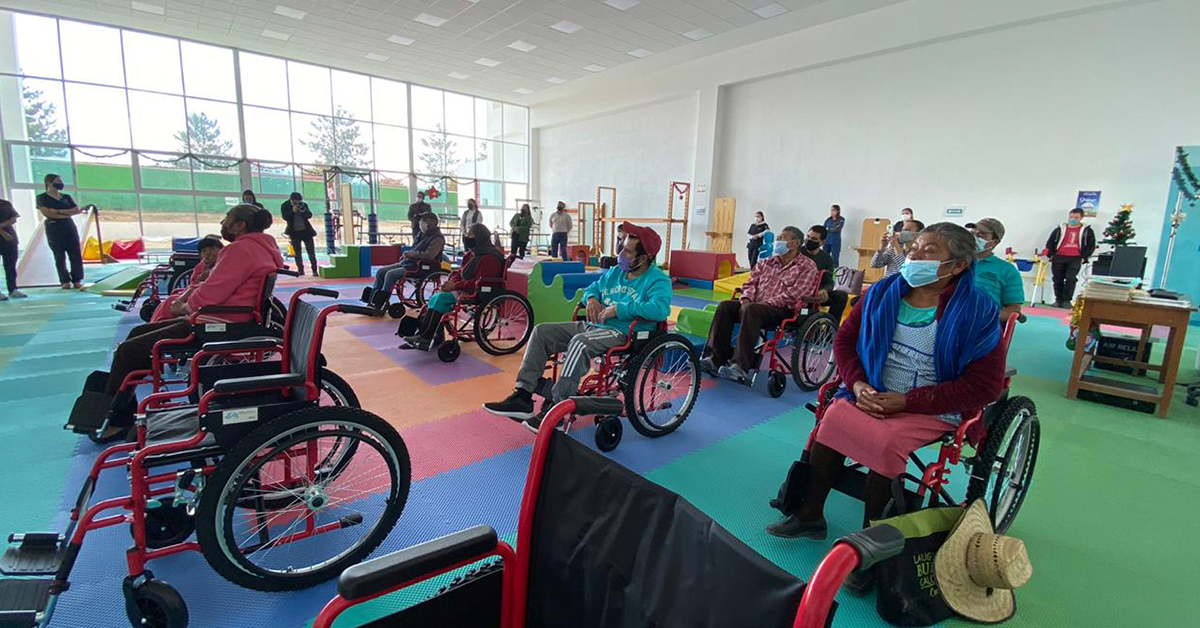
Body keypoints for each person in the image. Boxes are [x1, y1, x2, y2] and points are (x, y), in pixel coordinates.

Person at [765, 223, 1004, 552]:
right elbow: (846, 341)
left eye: (929, 251)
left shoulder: (977, 311)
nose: (915, 255)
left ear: (958, 265)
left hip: (931, 404)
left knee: (885, 439)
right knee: (833, 418)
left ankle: (872, 547)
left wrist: (907, 402)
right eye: (915, 247)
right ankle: (809, 515)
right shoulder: (882, 292)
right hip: (871, 389)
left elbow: (985, 386)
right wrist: (858, 383)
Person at [92, 205, 283, 439]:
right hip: (226, 315)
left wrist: (185, 306)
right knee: (137, 334)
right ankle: (122, 405)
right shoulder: (260, 248)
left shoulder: (241, 250)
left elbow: (214, 292)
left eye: (227, 218)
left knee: (129, 351)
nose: (223, 223)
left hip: (218, 320)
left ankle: (118, 419)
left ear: (240, 225)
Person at [483, 222, 671, 429]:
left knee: (580, 343)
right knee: (542, 332)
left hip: (622, 332)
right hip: (595, 326)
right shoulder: (616, 272)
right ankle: (523, 396)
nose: (620, 253)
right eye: (621, 247)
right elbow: (592, 288)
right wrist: (591, 299)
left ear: (643, 258)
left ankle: (556, 407)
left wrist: (619, 309)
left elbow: (660, 309)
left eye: (627, 251)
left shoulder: (657, 280)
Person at [700, 226, 821, 384]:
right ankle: (715, 358)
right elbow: (750, 284)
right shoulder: (766, 262)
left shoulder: (806, 266)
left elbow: (796, 295)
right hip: (754, 307)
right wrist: (746, 300)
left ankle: (740, 366)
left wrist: (764, 303)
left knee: (752, 310)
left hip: (783, 310)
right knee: (725, 306)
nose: (777, 241)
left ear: (795, 243)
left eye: (782, 238)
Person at [401, 223, 506, 350]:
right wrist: (452, 283)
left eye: (470, 235)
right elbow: (460, 272)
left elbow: (482, 281)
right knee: (435, 298)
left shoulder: (490, 257)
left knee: (441, 299)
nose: (467, 238)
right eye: (466, 235)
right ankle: (427, 335)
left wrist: (455, 286)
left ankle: (426, 337)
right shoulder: (472, 254)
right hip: (463, 287)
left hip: (479, 290)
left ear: (480, 237)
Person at [367, 212, 446, 311]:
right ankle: (372, 300)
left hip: (422, 266)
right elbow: (414, 249)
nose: (421, 223)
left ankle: (381, 303)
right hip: (409, 262)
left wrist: (412, 254)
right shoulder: (421, 235)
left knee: (390, 275)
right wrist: (408, 255)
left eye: (423, 221)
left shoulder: (437, 238)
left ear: (433, 222)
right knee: (380, 272)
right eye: (421, 221)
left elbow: (429, 255)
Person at [149, 236, 224, 322]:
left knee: (170, 301)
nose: (208, 253)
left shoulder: (223, 264)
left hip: (207, 296)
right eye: (204, 251)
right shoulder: (201, 266)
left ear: (222, 250)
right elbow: (193, 283)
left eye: (212, 248)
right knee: (170, 300)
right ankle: (158, 322)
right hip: (196, 293)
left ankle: (159, 322)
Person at [36, 173, 85, 289]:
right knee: (59, 255)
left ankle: (77, 279)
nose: (60, 184)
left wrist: (58, 212)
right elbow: (47, 213)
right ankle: (64, 280)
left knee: (75, 253)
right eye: (57, 181)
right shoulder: (42, 198)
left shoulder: (66, 197)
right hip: (53, 227)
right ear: (49, 183)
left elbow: (76, 210)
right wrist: (65, 212)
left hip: (68, 225)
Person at [970, 218, 1024, 321]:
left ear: (994, 242)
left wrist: (986, 318)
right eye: (972, 232)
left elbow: (1013, 309)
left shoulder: (1007, 270)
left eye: (981, 235)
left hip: (984, 326)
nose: (974, 237)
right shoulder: (955, 263)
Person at [1043, 208, 1096, 308]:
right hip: (1059, 256)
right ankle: (1058, 299)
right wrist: (1051, 255)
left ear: (1081, 218)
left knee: (1071, 279)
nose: (1073, 219)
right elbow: (1050, 242)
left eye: (1076, 217)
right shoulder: (1059, 229)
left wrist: (1084, 257)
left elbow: (1091, 245)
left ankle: (1067, 300)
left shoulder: (1087, 231)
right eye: (1071, 217)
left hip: (1075, 258)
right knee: (1057, 278)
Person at [803, 225, 849, 322]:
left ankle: (831, 329)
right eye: (808, 237)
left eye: (814, 239)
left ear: (822, 242)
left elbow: (829, 281)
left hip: (817, 292)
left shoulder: (827, 259)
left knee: (841, 296)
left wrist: (824, 290)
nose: (809, 240)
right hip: (800, 289)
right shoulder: (798, 253)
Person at [280, 192, 317, 276]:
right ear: (291, 200)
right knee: (297, 253)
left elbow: (309, 215)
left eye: (299, 201)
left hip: (306, 231)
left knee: (311, 252)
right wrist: (293, 211)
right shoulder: (285, 205)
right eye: (295, 201)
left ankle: (314, 270)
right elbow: (285, 217)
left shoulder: (303, 204)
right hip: (294, 232)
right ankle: (300, 270)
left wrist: (303, 211)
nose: (297, 203)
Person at [0, 198, 25, 300]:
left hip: (9, 237)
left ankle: (12, 289)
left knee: (10, 263)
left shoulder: (5, 203)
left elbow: (14, 218)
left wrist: (1, 226)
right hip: (5, 234)